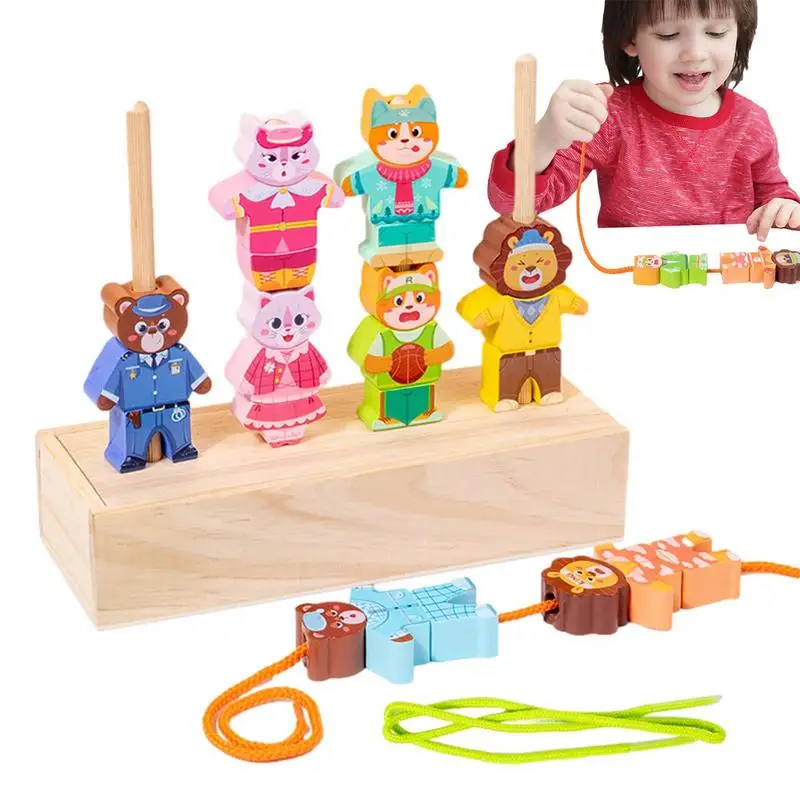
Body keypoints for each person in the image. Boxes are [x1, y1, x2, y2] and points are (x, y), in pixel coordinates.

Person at [488, 0, 799, 241]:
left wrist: (785, 210)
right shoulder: (606, 116)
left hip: (730, 283)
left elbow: (774, 198)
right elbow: (511, 206)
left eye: (716, 32)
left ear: (739, 32)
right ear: (630, 39)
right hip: (631, 282)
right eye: (668, 34)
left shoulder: (751, 122)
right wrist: (544, 137)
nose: (694, 53)